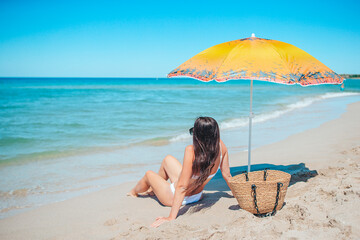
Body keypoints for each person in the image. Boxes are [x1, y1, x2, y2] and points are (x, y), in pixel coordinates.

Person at [127, 117, 233, 228]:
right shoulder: (221, 146)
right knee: (167, 159)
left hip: (173, 197)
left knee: (149, 174)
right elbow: (227, 175)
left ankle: (133, 192)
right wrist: (238, 196)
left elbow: (182, 187)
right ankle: (152, 190)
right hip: (197, 196)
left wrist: (171, 217)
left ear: (198, 135)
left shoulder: (191, 150)